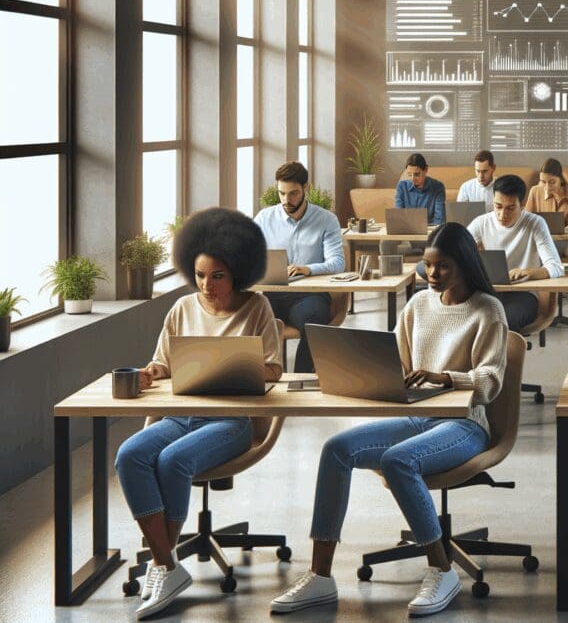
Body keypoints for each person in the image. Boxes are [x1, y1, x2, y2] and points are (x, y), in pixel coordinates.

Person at [273, 223, 507, 617]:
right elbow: (393, 360)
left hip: (466, 424)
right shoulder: (417, 306)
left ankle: (442, 570)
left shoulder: (488, 310)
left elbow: (491, 381)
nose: (432, 275)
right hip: (415, 416)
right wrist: (359, 369)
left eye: (444, 267)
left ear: (465, 264)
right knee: (336, 449)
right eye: (428, 267)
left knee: (398, 460)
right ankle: (321, 576)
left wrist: (447, 376)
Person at [116, 207, 282, 619]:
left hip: (232, 422)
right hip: (179, 415)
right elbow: (163, 363)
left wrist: (235, 364)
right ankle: (168, 565)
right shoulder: (182, 308)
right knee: (129, 456)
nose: (207, 285)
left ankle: (162, 566)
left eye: (218, 276)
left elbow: (275, 371)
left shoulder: (257, 308)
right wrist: (150, 373)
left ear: (238, 272)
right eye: (201, 275)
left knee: (174, 460)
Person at [253, 161, 343, 372]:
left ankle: (300, 382)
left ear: (306, 188)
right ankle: (257, 379)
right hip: (271, 293)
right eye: (281, 193)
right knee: (244, 318)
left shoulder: (326, 220)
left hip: (308, 295)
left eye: (293, 193)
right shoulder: (264, 218)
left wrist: (307, 268)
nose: (286, 200)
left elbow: (338, 263)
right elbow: (248, 255)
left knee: (314, 324)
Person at [451, 174, 563, 331]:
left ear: (522, 205)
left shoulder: (535, 224)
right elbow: (453, 253)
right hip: (489, 293)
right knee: (457, 319)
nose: (502, 215)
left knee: (501, 323)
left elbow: (556, 267)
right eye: (498, 206)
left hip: (524, 296)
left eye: (511, 208)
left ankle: (502, 355)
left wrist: (527, 272)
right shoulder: (481, 222)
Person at [525, 157, 568, 264]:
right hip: (543, 242)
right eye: (543, 182)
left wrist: (566, 230)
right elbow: (527, 220)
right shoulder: (535, 191)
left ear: (561, 180)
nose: (547, 187)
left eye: (552, 182)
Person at [394, 153, 446, 225]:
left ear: (426, 169)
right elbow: (398, 216)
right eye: (409, 174)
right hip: (406, 230)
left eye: (417, 174)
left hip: (430, 232)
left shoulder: (438, 187)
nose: (413, 178)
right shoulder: (402, 187)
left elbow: (439, 220)